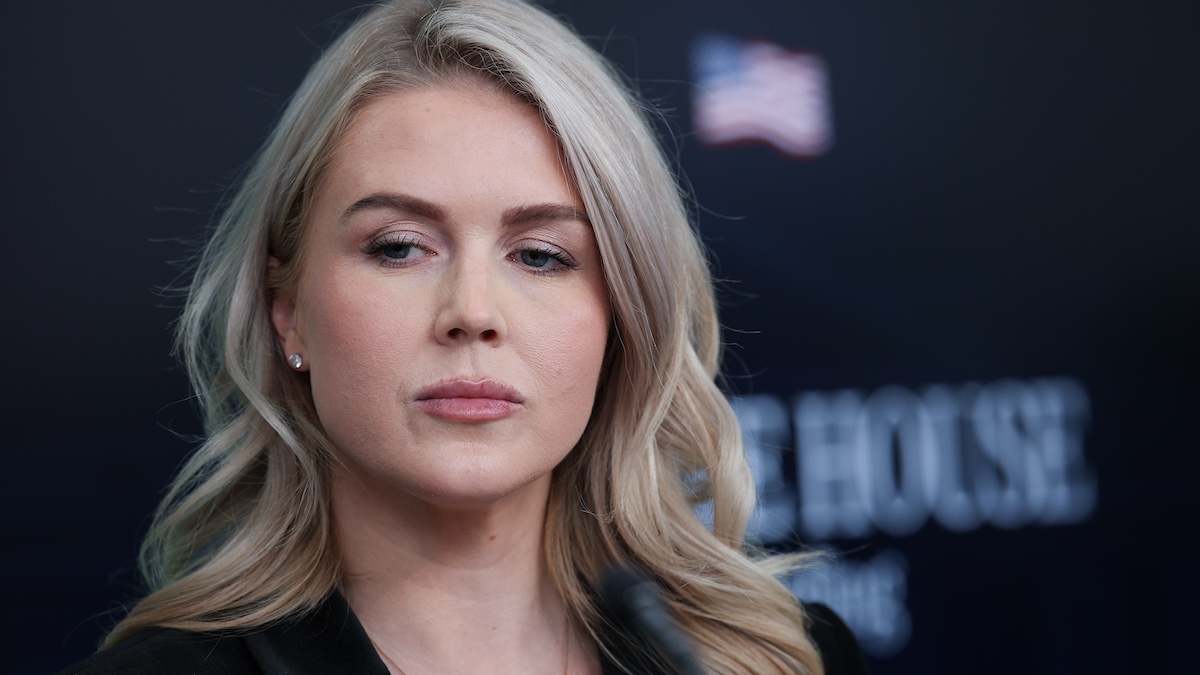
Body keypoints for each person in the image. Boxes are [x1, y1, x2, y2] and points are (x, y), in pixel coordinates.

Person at [61, 1, 868, 673]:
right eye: (399, 247)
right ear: (287, 311)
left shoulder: (788, 659)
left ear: (622, 317)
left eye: (541, 255)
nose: (473, 311)